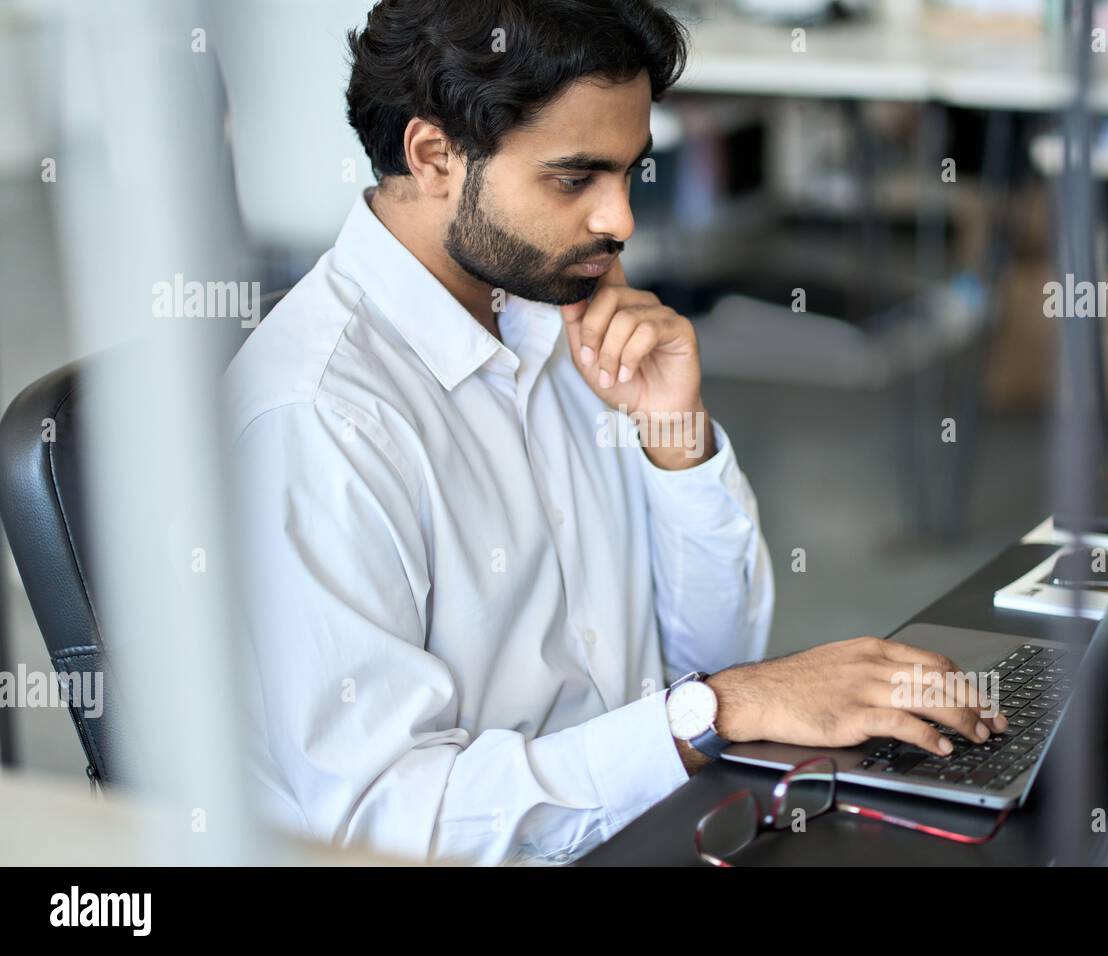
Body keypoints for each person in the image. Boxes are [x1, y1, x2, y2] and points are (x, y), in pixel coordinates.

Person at [223, 0, 1004, 865]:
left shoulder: (564, 318)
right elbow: (384, 823)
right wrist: (716, 713)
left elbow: (714, 657)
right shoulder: (319, 418)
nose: (621, 221)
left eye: (631, 174)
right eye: (575, 179)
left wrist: (675, 436)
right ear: (433, 155)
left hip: (650, 823)